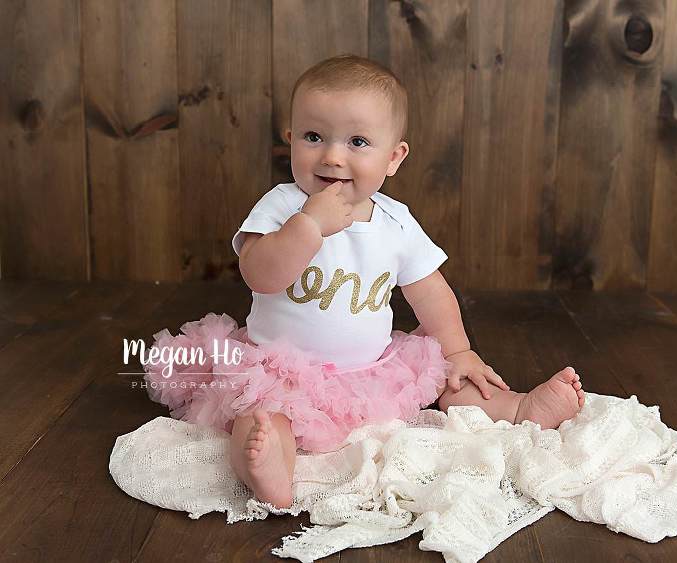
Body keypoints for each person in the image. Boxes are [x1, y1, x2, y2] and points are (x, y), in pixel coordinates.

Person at [142, 54, 585, 509]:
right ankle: (266, 467)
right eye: (314, 137)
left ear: (394, 157)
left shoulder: (395, 222)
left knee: (450, 379)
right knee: (257, 418)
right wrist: (307, 226)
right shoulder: (282, 206)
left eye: (358, 141)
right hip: (280, 372)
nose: (333, 156)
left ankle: (518, 408)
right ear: (291, 140)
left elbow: (429, 290)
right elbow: (259, 274)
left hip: (373, 372)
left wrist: (458, 350)